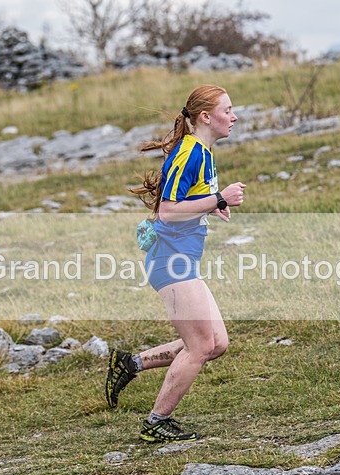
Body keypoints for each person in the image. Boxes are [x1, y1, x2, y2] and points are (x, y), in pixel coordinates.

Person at [105, 84, 246, 443]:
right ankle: (156, 422)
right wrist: (218, 197)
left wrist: (213, 204)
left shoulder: (205, 153)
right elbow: (167, 212)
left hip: (183, 259)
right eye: (227, 110)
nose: (233, 116)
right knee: (200, 346)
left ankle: (131, 363)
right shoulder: (190, 153)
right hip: (170, 261)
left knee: (216, 344)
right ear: (205, 117)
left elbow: (186, 201)